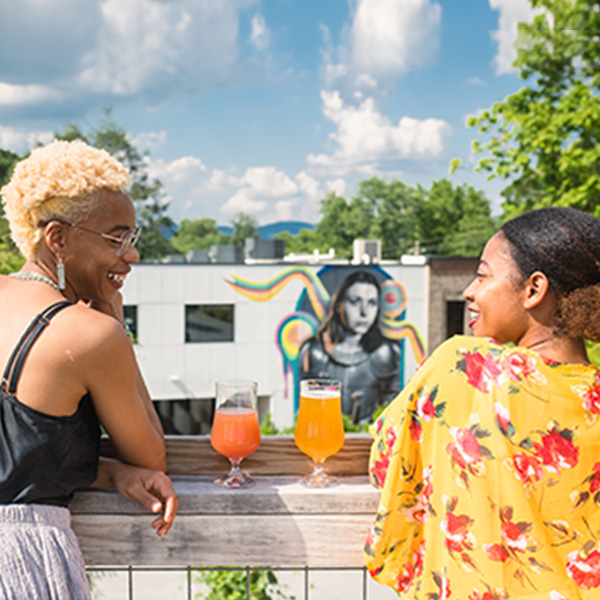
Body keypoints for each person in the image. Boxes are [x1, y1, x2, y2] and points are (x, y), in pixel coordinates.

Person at [365, 206, 600, 599]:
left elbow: (386, 462)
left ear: (533, 289)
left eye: (483, 275)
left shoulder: (465, 368)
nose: (469, 291)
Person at [0, 140, 179, 599]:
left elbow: (17, 455)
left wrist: (107, 472)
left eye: (132, 239)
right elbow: (151, 456)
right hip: (23, 559)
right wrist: (113, 323)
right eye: (116, 238)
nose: (131, 255)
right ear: (57, 238)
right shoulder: (88, 335)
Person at [299, 270, 401, 423]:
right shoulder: (314, 352)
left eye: (372, 303)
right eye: (355, 301)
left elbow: (393, 410)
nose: (364, 312)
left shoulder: (385, 353)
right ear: (339, 305)